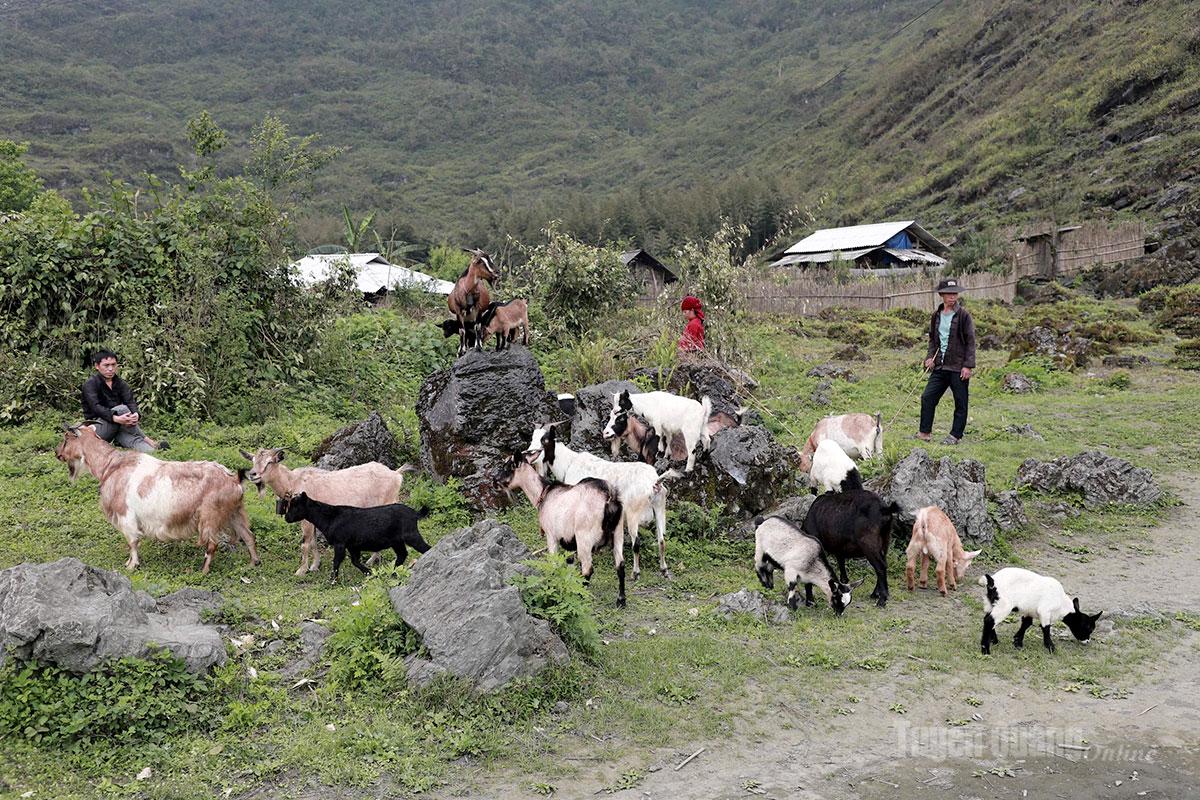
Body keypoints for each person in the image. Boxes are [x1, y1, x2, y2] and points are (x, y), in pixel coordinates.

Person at [916, 278, 976, 445]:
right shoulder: (936, 316)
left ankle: (955, 435)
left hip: (958, 367)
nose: (952, 296)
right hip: (940, 366)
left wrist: (968, 365)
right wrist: (930, 358)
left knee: (960, 402)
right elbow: (933, 340)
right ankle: (924, 433)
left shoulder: (963, 316)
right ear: (941, 295)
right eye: (949, 293)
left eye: (954, 293)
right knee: (927, 397)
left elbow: (971, 341)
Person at [80, 349, 167, 453]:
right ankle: (147, 439)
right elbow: (96, 407)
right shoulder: (90, 384)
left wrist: (135, 414)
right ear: (97, 366)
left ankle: (153, 448)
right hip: (97, 428)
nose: (110, 369)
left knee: (145, 448)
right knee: (121, 409)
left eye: (113, 365)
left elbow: (130, 401)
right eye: (106, 365)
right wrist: (115, 418)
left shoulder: (120, 383)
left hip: (119, 425)